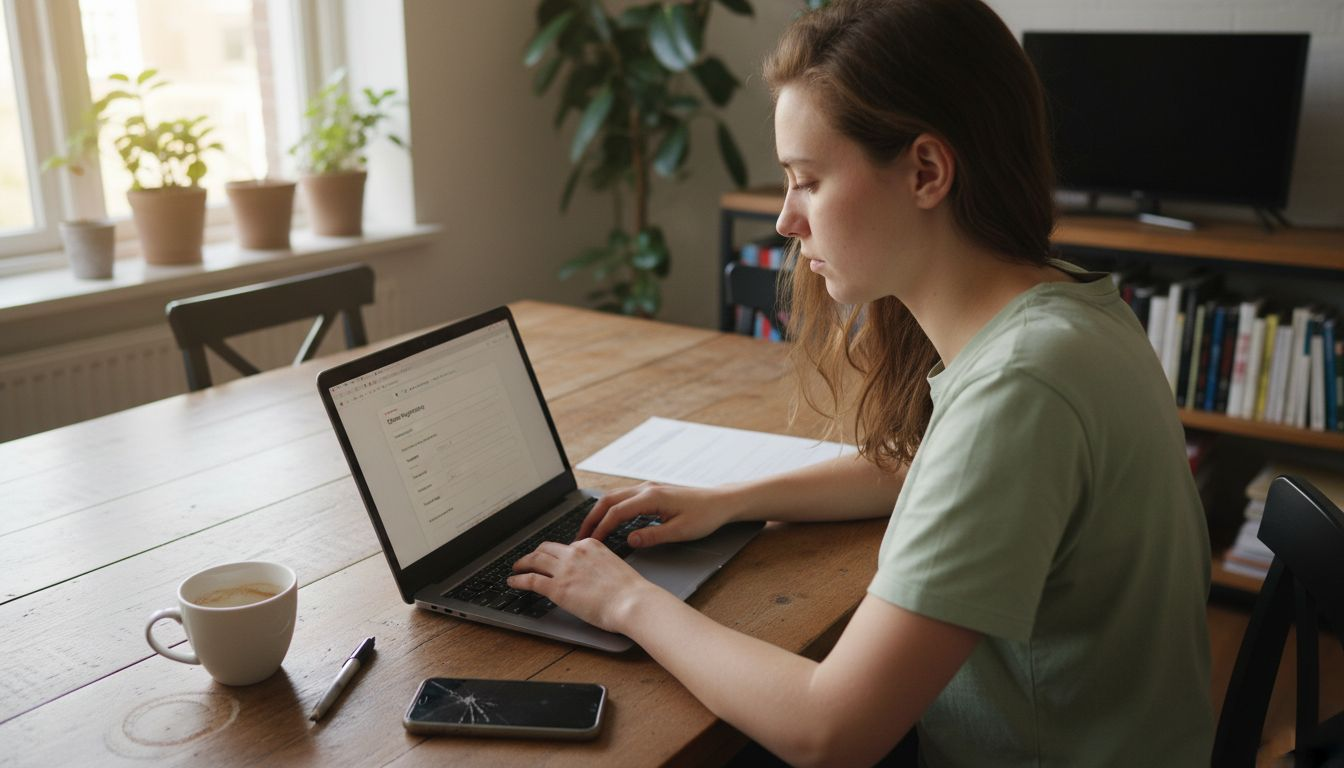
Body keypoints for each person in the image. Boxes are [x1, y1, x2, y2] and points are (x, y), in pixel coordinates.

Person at [509, 0, 1214, 764]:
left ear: (926, 172)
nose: (785, 220)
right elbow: (930, 469)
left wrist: (626, 600)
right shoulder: (1062, 308)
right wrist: (733, 501)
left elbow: (832, 730)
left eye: (806, 181)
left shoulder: (1020, 387)